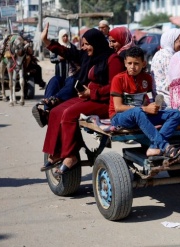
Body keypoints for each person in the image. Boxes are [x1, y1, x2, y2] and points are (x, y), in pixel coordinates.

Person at [39, 24, 122, 174]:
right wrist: (46, 41)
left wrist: (93, 93)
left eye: (87, 44)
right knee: (56, 111)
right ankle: (56, 152)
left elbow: (115, 87)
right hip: (90, 98)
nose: (84, 47)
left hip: (105, 102)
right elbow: (68, 52)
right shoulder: (89, 56)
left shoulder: (112, 59)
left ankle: (71, 156)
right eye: (83, 44)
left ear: (96, 43)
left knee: (69, 114)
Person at [109, 46, 180, 158]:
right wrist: (144, 109)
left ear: (143, 64)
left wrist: (153, 106)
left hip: (141, 115)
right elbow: (118, 107)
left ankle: (154, 147)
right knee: (137, 111)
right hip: (120, 117)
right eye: (129, 63)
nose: (132, 67)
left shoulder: (147, 78)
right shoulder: (118, 79)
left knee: (176, 114)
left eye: (136, 63)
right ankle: (166, 147)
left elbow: (149, 99)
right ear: (125, 63)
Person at [38, 29, 80, 113]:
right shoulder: (57, 47)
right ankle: (47, 108)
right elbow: (52, 59)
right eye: (63, 36)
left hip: (70, 72)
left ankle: (56, 100)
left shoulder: (72, 47)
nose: (65, 38)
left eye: (66, 36)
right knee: (55, 81)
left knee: (70, 82)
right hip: (60, 69)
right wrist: (59, 58)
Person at [151, 28, 180, 107]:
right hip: (167, 100)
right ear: (172, 41)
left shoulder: (159, 53)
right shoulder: (169, 57)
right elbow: (172, 82)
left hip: (159, 96)